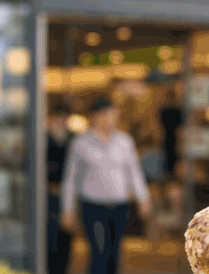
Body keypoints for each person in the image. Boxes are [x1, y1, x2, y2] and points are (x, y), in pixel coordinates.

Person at [61, 97, 152, 274]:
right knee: (99, 251)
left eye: (115, 115)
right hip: (92, 206)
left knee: (113, 252)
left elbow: (134, 172)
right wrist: (67, 209)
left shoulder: (125, 142)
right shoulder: (80, 143)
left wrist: (144, 199)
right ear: (96, 117)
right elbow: (70, 179)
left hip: (119, 206)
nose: (113, 119)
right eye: (109, 115)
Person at [46, 101, 76, 274]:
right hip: (48, 193)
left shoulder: (74, 139)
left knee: (65, 236)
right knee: (49, 235)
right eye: (58, 118)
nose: (61, 121)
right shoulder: (44, 138)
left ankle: (62, 269)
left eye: (64, 118)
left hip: (67, 194)